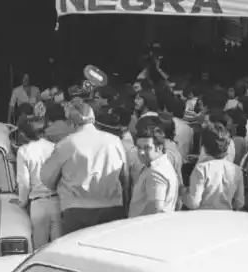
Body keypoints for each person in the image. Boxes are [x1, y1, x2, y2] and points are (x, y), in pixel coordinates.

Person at [41, 102, 128, 236]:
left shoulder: (67, 144)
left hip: (76, 210)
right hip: (112, 207)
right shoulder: (114, 141)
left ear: (71, 122)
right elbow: (125, 177)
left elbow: (46, 178)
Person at [16, 117, 60, 248]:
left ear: (24, 134)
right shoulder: (55, 147)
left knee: (40, 250)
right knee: (59, 248)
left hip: (38, 204)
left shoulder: (23, 151)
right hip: (57, 202)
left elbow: (23, 182)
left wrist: (22, 203)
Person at [184, 122, 246, 211]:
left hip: (204, 218)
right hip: (227, 218)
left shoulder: (201, 169)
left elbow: (194, 203)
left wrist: (184, 194)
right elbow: (240, 203)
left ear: (204, 147)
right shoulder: (236, 170)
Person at [128, 123, 178, 218]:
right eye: (139, 147)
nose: (141, 152)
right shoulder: (162, 165)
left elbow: (155, 209)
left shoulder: (155, 173)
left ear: (159, 148)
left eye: (147, 148)